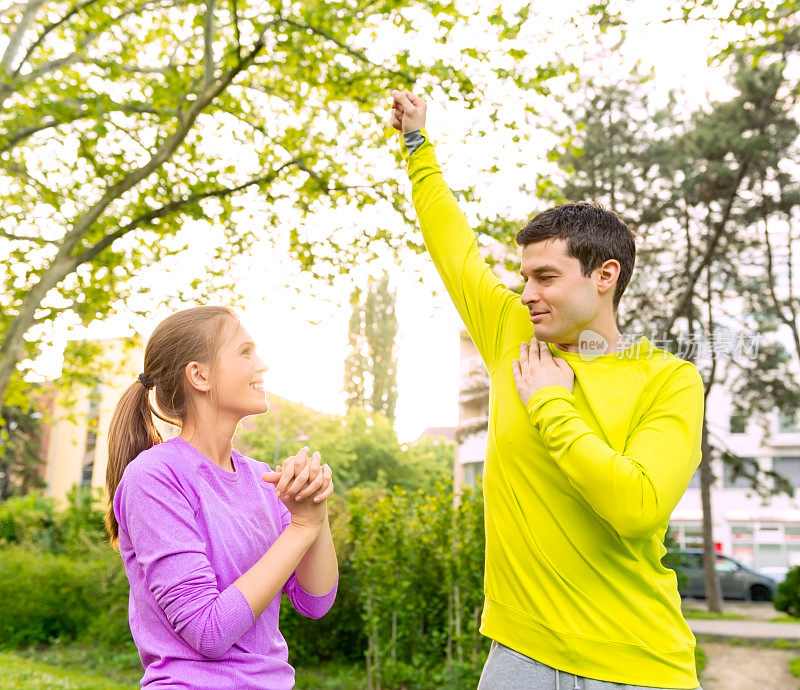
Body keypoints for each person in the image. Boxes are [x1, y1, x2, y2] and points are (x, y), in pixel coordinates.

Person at [390, 91, 704, 690]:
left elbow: (636, 509)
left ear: (605, 276)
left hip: (636, 664)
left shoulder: (669, 378)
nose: (527, 292)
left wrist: (552, 405)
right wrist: (416, 145)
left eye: (547, 277)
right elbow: (453, 247)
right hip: (519, 659)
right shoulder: (513, 333)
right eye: (523, 276)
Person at [104, 305, 338, 689]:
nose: (261, 365)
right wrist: (299, 529)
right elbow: (208, 631)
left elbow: (315, 602)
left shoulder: (263, 480)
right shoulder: (154, 477)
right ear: (200, 375)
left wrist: (315, 512)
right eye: (245, 352)